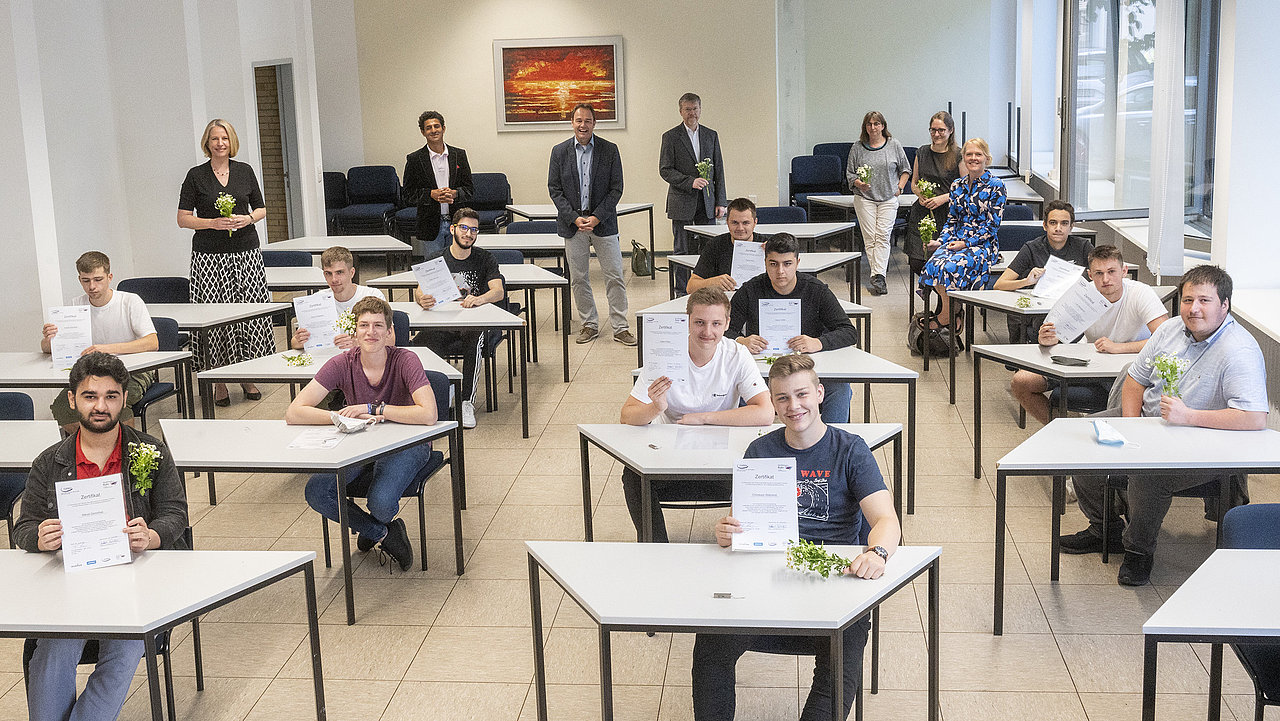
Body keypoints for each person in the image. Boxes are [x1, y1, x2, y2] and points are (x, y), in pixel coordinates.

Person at [694, 354, 901, 721]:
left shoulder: (850, 450)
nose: (794, 406)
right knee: (711, 641)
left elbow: (886, 519)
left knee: (840, 658)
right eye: (783, 398)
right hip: (767, 581)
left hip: (833, 582)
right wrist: (727, 531)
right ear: (773, 404)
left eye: (802, 394)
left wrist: (878, 552)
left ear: (819, 394)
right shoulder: (760, 451)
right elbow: (741, 523)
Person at [1059, 265, 1267, 586]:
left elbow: (1253, 418)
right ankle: (1105, 529)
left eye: (1204, 301)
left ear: (1224, 305)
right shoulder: (1170, 329)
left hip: (1206, 441)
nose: (1193, 309)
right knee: (1087, 437)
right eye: (1187, 300)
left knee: (1150, 473)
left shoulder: (1239, 349)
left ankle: (1138, 551)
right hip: (1150, 423)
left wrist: (1189, 416)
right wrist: (1132, 428)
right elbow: (1135, 380)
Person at [15, 352, 189, 721]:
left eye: (111, 396)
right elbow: (24, 527)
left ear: (125, 398)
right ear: (72, 399)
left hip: (137, 581)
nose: (100, 406)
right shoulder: (49, 461)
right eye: (90, 396)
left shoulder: (151, 452)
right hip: (69, 583)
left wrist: (151, 535)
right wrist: (39, 538)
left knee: (125, 648)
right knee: (55, 648)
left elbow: (176, 514)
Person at [286, 296, 439, 571]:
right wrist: (340, 418)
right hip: (360, 441)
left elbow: (428, 414)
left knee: (380, 504)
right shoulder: (342, 363)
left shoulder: (406, 360)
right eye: (364, 325)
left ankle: (374, 524)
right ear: (354, 332)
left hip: (407, 442)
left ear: (389, 332)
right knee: (317, 491)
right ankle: (381, 532)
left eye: (378, 325)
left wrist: (375, 410)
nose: (371, 332)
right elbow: (294, 412)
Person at [619, 287, 773, 542]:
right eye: (699, 322)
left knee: (761, 470)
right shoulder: (666, 352)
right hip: (671, 457)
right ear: (687, 321)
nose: (707, 332)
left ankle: (744, 541)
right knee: (633, 476)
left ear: (727, 324)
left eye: (716, 324)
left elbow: (766, 412)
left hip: (723, 459)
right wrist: (655, 408)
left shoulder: (737, 354)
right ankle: (656, 549)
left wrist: (704, 417)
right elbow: (627, 415)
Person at [1010, 245, 1169, 425]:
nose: (1106, 279)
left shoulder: (1141, 293)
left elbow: (1165, 339)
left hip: (1128, 369)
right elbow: (1057, 335)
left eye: (1111, 272)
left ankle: (1103, 434)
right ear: (1090, 275)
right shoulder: (1083, 293)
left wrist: (1119, 348)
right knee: (1021, 381)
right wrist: (1047, 339)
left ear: (1124, 271)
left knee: (1126, 403)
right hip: (1090, 363)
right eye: (1099, 273)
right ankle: (1062, 432)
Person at [176, 118, 270, 407]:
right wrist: (211, 223)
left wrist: (248, 218)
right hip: (209, 257)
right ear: (207, 142)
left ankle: (246, 375)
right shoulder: (196, 176)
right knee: (214, 319)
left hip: (246, 254)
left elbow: (261, 209)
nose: (220, 143)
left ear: (232, 142)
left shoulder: (245, 171)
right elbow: (183, 219)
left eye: (225, 138)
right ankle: (218, 380)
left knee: (246, 316)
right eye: (215, 138)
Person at [726, 233, 858, 423]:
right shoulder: (750, 290)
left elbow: (848, 331)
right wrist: (741, 341)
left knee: (840, 388)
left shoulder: (816, 290)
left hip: (808, 367)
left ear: (797, 263)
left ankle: (830, 438)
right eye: (773, 264)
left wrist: (818, 342)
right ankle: (754, 439)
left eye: (787, 264)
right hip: (762, 370)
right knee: (735, 389)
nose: (780, 271)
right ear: (765, 263)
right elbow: (724, 330)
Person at [40, 252, 159, 434]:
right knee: (63, 407)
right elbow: (48, 349)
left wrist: (105, 349)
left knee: (113, 400)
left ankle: (124, 447)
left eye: (98, 279)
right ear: (79, 280)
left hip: (134, 371)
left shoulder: (129, 301)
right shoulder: (76, 305)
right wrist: (49, 339)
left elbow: (152, 342)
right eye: (86, 281)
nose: (92, 286)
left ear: (109, 277)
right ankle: (95, 443)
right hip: (93, 372)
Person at [548, 103, 635, 346]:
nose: (583, 125)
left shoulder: (609, 150)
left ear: (594, 123)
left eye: (587, 121)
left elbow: (616, 188)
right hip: (573, 226)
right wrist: (574, 217)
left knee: (614, 275)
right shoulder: (559, 152)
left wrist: (596, 217)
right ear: (572, 123)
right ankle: (589, 324)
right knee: (578, 278)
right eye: (578, 120)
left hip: (603, 224)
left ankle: (620, 327)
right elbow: (554, 189)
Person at [412, 208, 506, 430]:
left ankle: (466, 402)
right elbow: (420, 290)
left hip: (474, 323)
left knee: (475, 341)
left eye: (474, 230)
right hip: (444, 321)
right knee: (420, 344)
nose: (469, 234)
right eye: (464, 228)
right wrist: (421, 299)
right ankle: (440, 394)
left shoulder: (485, 258)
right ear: (453, 229)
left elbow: (498, 291)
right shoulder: (436, 259)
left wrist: (480, 299)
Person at [918, 137, 1006, 334]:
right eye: (969, 154)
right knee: (933, 265)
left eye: (978, 154)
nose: (973, 158)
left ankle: (946, 316)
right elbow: (952, 220)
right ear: (963, 158)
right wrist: (940, 241)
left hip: (982, 244)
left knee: (949, 267)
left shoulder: (996, 185)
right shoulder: (956, 185)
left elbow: (992, 226)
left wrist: (965, 243)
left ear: (987, 158)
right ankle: (954, 311)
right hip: (955, 241)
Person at [992, 199, 1094, 341]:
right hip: (1040, 311)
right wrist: (1026, 281)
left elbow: (1101, 276)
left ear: (1071, 227)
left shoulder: (1083, 247)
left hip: (1072, 309)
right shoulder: (1032, 248)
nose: (1058, 228)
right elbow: (999, 284)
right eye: (1053, 223)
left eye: (1064, 223)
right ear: (1045, 225)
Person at [660, 92, 727, 292]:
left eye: (695, 109)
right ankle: (682, 290)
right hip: (681, 202)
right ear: (680, 111)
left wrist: (721, 202)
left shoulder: (711, 135)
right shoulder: (670, 137)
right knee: (682, 249)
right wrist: (690, 182)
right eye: (688, 109)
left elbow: (719, 170)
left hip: (707, 202)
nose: (692, 113)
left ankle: (708, 288)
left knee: (710, 249)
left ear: (700, 109)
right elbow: (665, 170)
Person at [845, 111, 910, 296]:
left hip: (888, 198)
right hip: (864, 198)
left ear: (883, 126)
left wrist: (900, 187)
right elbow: (850, 174)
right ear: (865, 127)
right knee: (871, 237)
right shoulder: (857, 147)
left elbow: (906, 169)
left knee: (882, 235)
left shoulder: (894, 144)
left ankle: (877, 275)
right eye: (869, 124)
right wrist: (859, 183)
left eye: (876, 123)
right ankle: (879, 276)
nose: (873, 127)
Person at [402, 110, 474, 256]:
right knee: (434, 266)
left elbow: (470, 189)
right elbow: (407, 194)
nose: (433, 130)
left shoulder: (459, 155)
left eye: (437, 126)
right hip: (430, 224)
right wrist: (430, 194)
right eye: (428, 128)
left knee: (457, 264)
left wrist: (455, 193)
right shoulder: (415, 159)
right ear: (423, 132)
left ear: (443, 128)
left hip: (457, 222)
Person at [290, 245, 386, 351]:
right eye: (328, 274)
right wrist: (299, 340)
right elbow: (294, 343)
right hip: (328, 356)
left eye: (339, 272)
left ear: (352, 273)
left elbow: (390, 339)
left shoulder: (372, 296)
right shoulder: (317, 301)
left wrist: (358, 343)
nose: (334, 279)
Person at [904, 111, 962, 276]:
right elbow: (914, 183)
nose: (936, 134)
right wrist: (920, 195)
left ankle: (937, 292)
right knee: (916, 261)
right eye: (933, 130)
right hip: (922, 214)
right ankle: (929, 287)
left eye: (941, 130)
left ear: (950, 130)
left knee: (940, 262)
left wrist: (943, 198)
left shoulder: (958, 154)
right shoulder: (922, 152)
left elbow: (964, 189)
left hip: (946, 214)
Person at [687, 197, 769, 294]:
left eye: (746, 223)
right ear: (727, 222)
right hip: (724, 300)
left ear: (755, 222)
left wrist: (775, 254)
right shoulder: (715, 245)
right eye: (735, 223)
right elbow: (690, 287)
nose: (740, 228)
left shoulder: (767, 245)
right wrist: (712, 282)